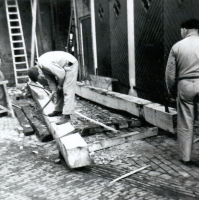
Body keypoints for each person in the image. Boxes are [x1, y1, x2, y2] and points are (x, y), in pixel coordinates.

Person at [165, 19, 199, 165]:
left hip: (185, 85)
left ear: (185, 30)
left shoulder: (177, 46)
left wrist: (171, 91)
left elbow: (170, 74)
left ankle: (186, 158)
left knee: (185, 122)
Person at [28, 51, 78, 125]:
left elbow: (61, 74)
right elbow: (50, 79)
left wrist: (60, 85)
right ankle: (58, 110)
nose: (41, 78)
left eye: (39, 77)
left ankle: (67, 115)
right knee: (58, 90)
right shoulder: (41, 66)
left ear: (38, 72)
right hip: (63, 67)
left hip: (70, 64)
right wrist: (54, 91)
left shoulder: (45, 64)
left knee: (67, 89)